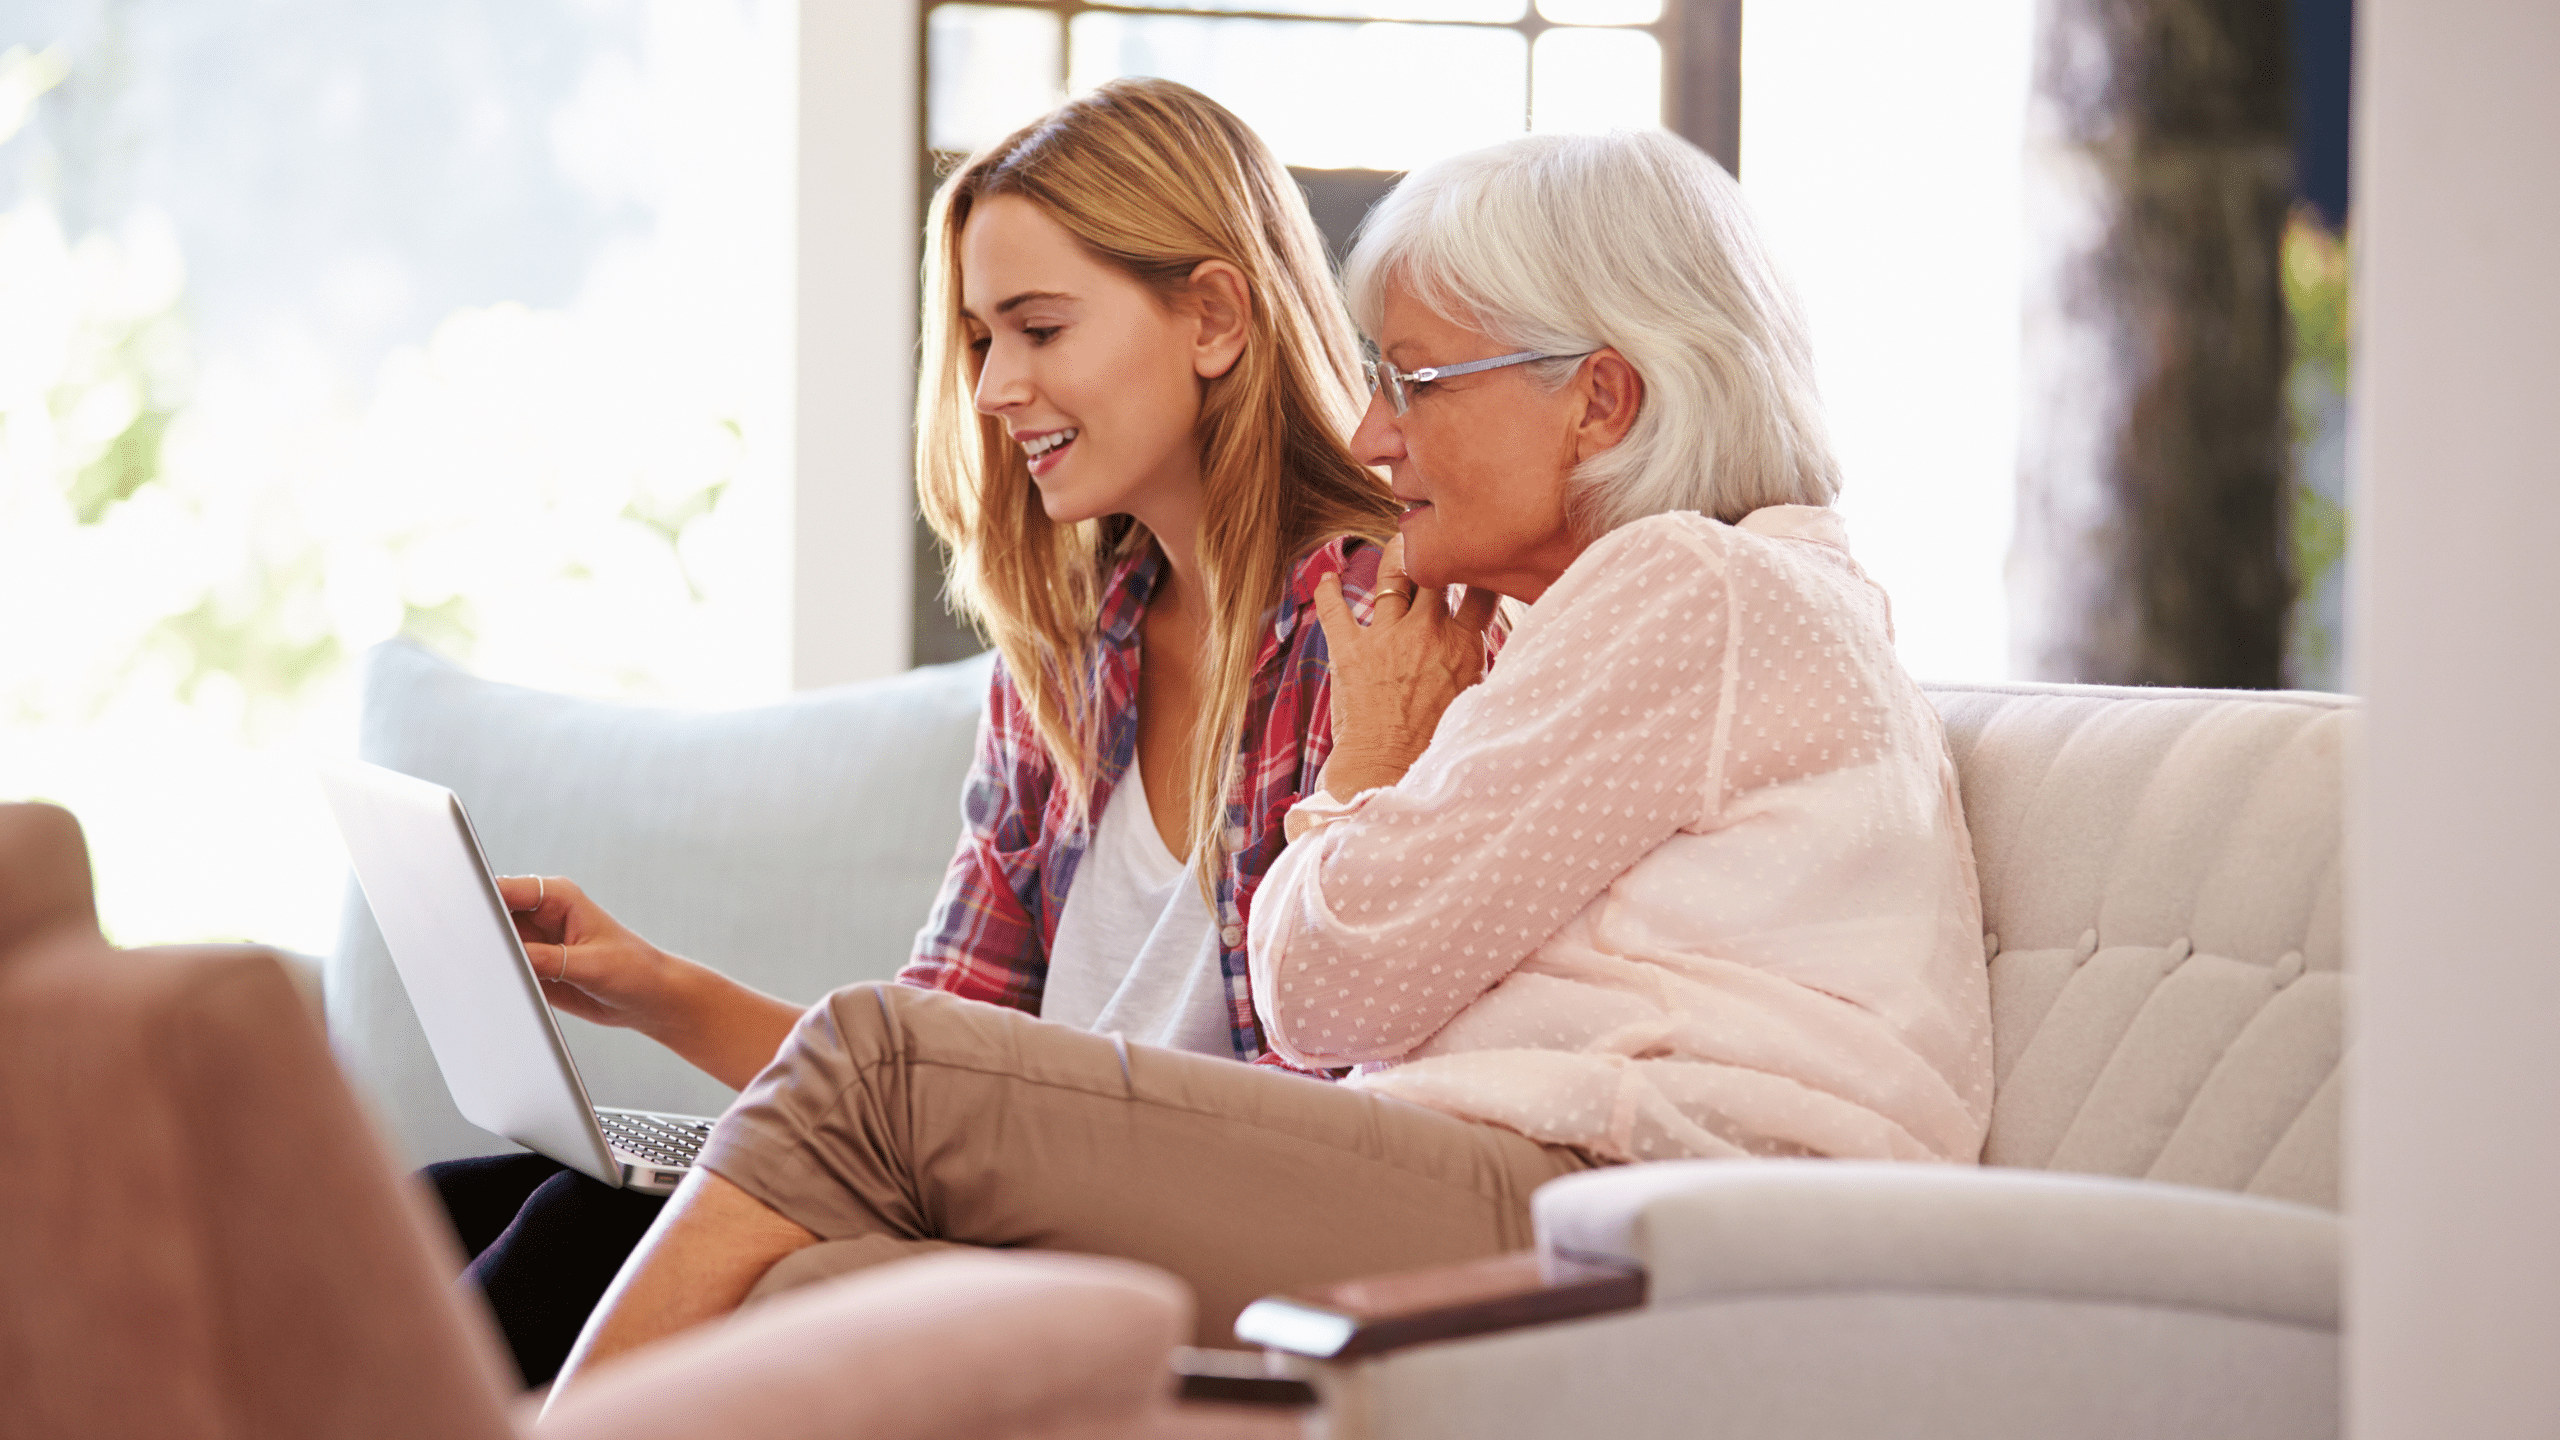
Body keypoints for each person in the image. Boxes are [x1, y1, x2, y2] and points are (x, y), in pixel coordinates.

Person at [545, 126, 1993, 1398]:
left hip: (1633, 1227)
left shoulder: (1695, 590)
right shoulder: (1605, 621)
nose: (1375, 431)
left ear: (1601, 401)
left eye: (1416, 382)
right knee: (809, 1287)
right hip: (1566, 1206)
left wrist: (1368, 754)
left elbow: (1322, 992)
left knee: (871, 1065)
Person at [429, 77, 1401, 1387]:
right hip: (1020, 1188)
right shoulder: (1067, 670)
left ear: (1216, 316)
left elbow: (1350, 1109)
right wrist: (658, 991)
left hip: (1203, 1228)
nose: (996, 387)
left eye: (1038, 328)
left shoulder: (1378, 628)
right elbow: (920, 1071)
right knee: (463, 1201)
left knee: (573, 1234)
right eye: (981, 338)